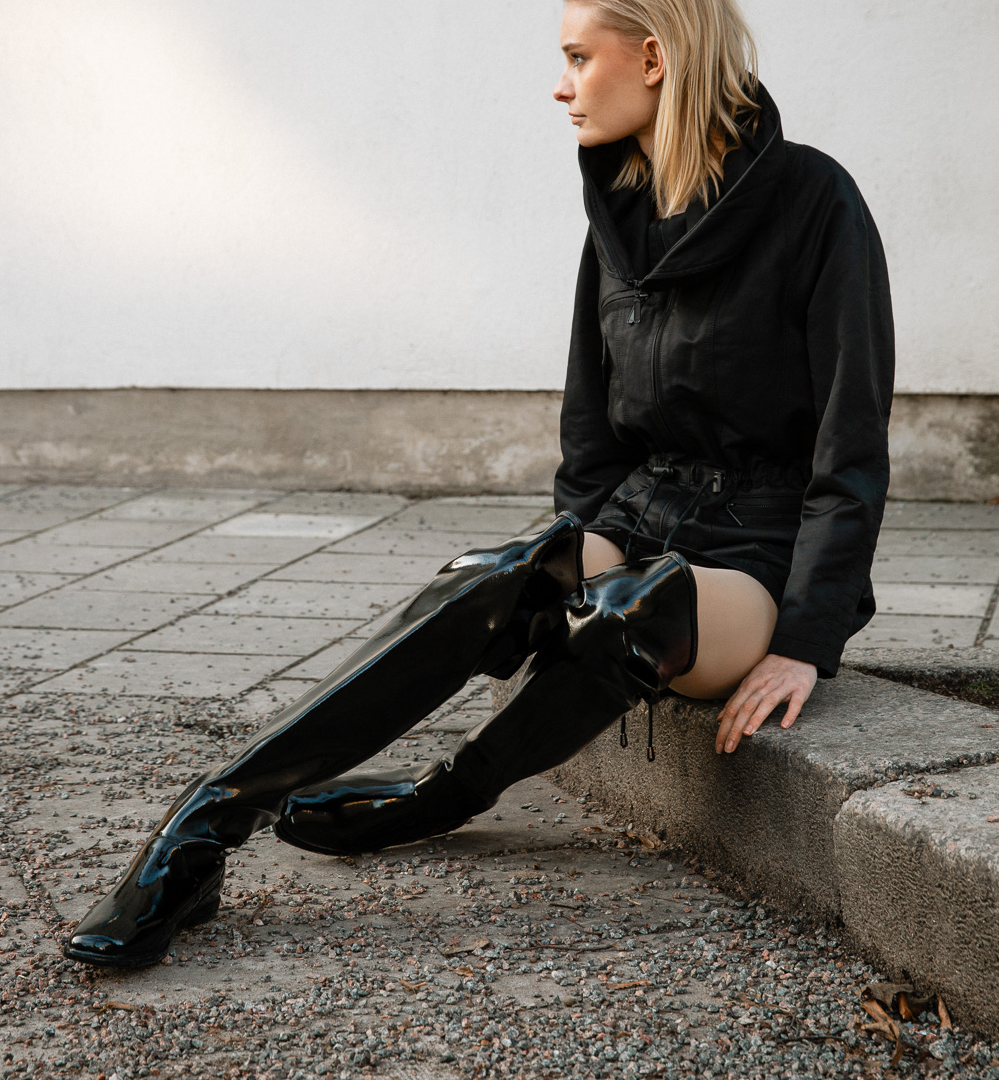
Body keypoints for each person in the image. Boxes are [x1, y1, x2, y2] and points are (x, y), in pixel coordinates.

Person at [63, 0, 893, 968]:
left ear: (657, 56)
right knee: (497, 572)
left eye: (579, 58)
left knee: (637, 606)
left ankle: (438, 797)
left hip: (757, 546)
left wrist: (806, 637)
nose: (561, 84)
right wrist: (552, 572)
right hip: (646, 506)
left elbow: (853, 442)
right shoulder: (622, 215)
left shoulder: (814, 202)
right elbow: (592, 429)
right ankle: (203, 829)